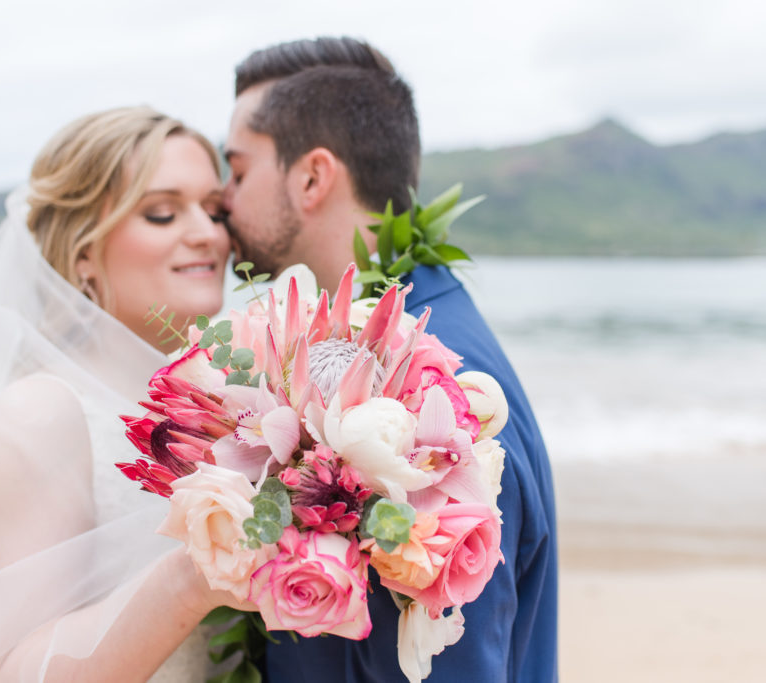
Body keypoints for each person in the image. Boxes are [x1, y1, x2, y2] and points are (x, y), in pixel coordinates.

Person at [223, 37, 558, 681]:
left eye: (239, 171)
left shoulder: (431, 400)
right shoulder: (362, 357)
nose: (223, 202)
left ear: (312, 177)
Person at [0, 106, 240, 682]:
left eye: (214, 210)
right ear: (84, 250)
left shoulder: (219, 400)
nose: (207, 233)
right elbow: (5, 675)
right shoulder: (39, 415)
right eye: (162, 213)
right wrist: (190, 580)